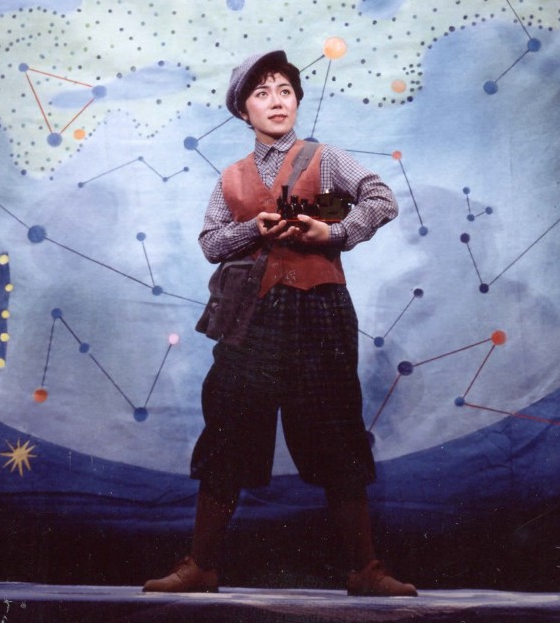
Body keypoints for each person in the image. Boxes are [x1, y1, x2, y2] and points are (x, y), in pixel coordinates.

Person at [143, 50, 417, 597]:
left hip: (320, 312)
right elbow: (210, 243)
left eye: (285, 91)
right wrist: (253, 230)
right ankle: (201, 566)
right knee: (227, 431)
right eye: (262, 92)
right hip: (252, 318)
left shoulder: (326, 158)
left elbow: (381, 198)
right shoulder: (231, 177)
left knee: (337, 432)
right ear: (243, 110)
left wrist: (333, 233)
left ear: (296, 102)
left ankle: (365, 569)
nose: (276, 101)